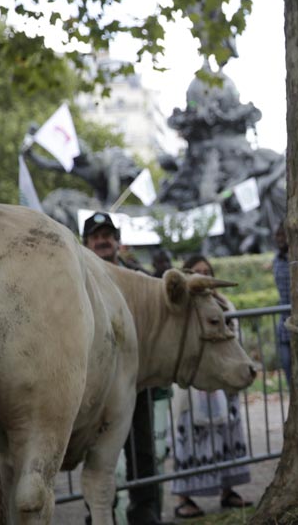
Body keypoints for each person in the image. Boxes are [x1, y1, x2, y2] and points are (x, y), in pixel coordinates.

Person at [82, 212, 169, 525]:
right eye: (95, 235)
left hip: (136, 382)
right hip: (97, 387)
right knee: (97, 454)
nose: (102, 240)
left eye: (107, 234)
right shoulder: (79, 282)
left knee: (142, 450)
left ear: (117, 241)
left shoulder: (140, 277)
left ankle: (145, 511)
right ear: (86, 243)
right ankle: (100, 513)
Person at [171, 255, 252, 519]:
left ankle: (228, 490)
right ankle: (185, 497)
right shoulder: (182, 309)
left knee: (227, 434)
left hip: (223, 383)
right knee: (192, 438)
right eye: (198, 272)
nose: (204, 277)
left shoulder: (225, 304)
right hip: (194, 384)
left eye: (208, 271)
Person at [271, 222, 292, 384]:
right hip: (284, 329)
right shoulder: (276, 261)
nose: (280, 239)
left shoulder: (297, 259)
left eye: (283, 235)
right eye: (278, 235)